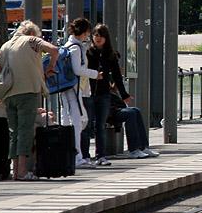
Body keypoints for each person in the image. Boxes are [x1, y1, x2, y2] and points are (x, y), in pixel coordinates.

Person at [0, 20, 59, 181]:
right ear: (32, 33)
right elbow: (54, 50)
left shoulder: (5, 46)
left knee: (14, 132)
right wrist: (50, 67)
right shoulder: (31, 40)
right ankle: (23, 171)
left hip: (9, 94)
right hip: (28, 92)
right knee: (25, 131)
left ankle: (16, 170)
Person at [88, 23, 159, 159]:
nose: (98, 38)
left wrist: (124, 94)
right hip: (93, 96)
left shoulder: (110, 55)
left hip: (106, 98)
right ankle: (130, 150)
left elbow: (117, 77)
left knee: (135, 111)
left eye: (101, 36)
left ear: (106, 38)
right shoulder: (89, 53)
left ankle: (143, 147)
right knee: (125, 115)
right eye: (96, 35)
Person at [63, 18, 103, 169]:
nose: (88, 36)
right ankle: (76, 156)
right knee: (78, 122)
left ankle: (75, 155)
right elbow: (77, 70)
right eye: (88, 32)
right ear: (84, 32)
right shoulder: (75, 48)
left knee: (76, 121)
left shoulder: (70, 45)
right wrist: (95, 74)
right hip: (73, 89)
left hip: (70, 89)